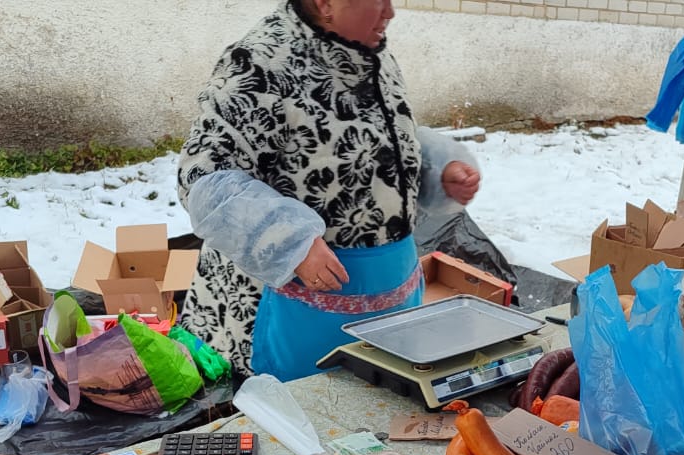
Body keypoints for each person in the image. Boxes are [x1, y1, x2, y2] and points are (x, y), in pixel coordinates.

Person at [176, 0, 481, 382]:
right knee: (300, 429)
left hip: (386, 302)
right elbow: (205, 178)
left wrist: (437, 170)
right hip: (285, 316)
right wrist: (289, 241)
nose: (390, 13)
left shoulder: (370, 53)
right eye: (377, 1)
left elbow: (366, 143)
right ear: (326, 4)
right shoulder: (258, 64)